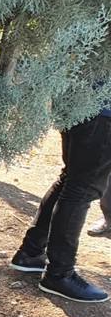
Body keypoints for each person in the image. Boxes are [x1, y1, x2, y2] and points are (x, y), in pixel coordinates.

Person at [9, 101, 111, 303]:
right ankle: (59, 274)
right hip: (103, 111)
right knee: (81, 188)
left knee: (71, 179)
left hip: (78, 100)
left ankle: (30, 253)